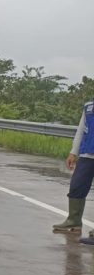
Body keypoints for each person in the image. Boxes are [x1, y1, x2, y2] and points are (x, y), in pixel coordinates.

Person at [53, 99, 94, 236]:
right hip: (87, 154)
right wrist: (73, 152)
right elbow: (81, 130)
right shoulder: (89, 106)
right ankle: (74, 221)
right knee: (77, 186)